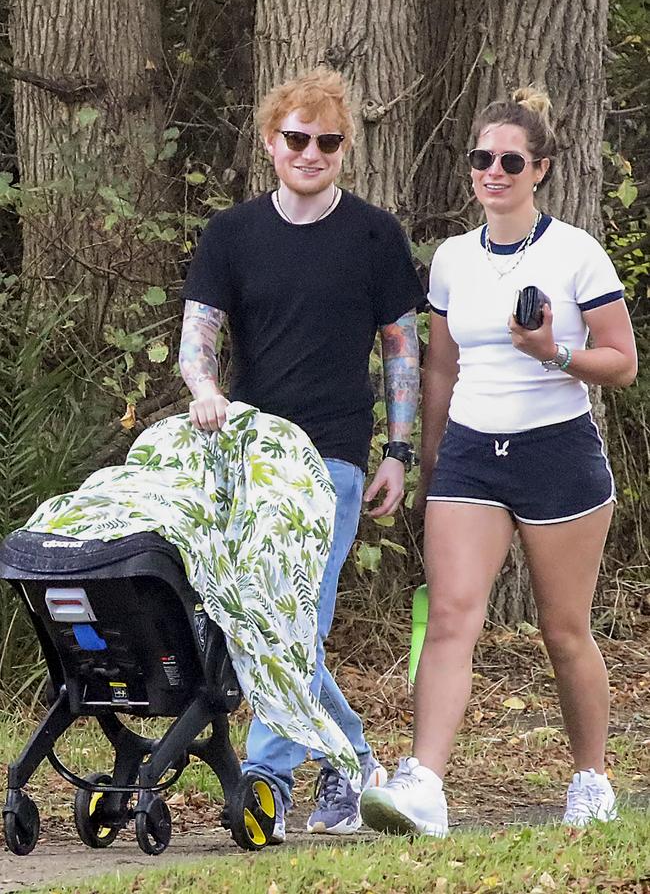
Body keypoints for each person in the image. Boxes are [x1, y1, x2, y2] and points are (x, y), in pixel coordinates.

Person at [361, 87, 638, 837]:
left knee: (562, 630)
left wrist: (556, 352)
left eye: (509, 161)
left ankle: (591, 778)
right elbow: (442, 367)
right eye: (481, 159)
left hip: (559, 453)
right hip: (472, 457)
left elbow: (623, 362)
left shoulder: (575, 251)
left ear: (539, 169)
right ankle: (425, 784)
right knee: (451, 616)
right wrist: (430, 455)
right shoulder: (452, 258)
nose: (493, 171)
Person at [178, 67, 424, 839]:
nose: (311, 152)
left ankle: (266, 782)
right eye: (297, 138)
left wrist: (399, 450)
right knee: (260, 624)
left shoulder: (377, 236)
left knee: (294, 624)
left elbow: (402, 351)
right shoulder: (232, 234)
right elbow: (197, 340)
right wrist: (204, 389)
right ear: (269, 143)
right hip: (251, 454)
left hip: (337, 454)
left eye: (328, 141)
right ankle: (354, 762)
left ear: (345, 149)